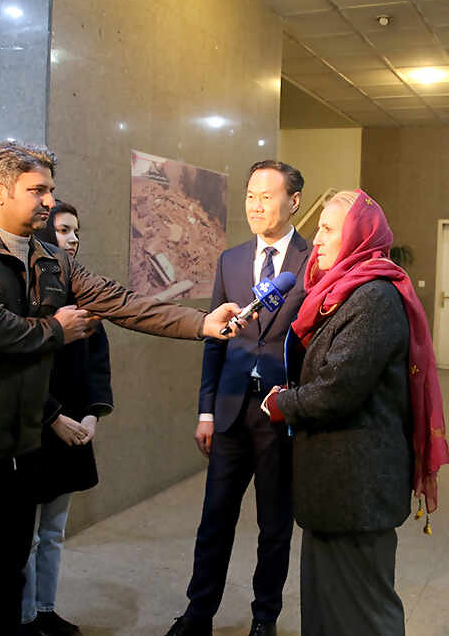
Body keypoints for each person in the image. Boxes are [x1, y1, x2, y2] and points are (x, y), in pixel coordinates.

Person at [0, 141, 245, 636]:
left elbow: (121, 301)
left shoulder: (51, 260)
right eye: (37, 190)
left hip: (17, 451)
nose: (48, 200)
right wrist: (56, 330)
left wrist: (202, 323)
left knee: (4, 577)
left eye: (50, 190)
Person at [261, 190, 449, 636]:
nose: (316, 239)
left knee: (364, 614)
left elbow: (338, 390)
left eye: (328, 229)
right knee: (326, 607)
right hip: (335, 490)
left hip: (357, 491)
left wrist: (282, 404)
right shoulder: (341, 292)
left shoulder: (374, 297)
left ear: (359, 236)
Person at [167, 161, 308, 636]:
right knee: (214, 520)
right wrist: (205, 410)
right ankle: (198, 614)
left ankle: (264, 618)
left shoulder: (313, 261)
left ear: (294, 202)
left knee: (274, 526)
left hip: (280, 412)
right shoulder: (231, 260)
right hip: (229, 408)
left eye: (267, 196)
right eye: (250, 195)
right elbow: (215, 340)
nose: (255, 206)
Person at [19, 201, 109, 636]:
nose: (73, 239)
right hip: (33, 432)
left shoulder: (82, 291)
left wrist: (92, 414)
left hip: (73, 431)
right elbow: (18, 369)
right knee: (23, 536)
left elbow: (98, 364)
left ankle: (45, 610)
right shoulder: (24, 292)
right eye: (63, 230)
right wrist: (54, 417)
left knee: (54, 532)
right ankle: (22, 618)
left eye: (76, 231)